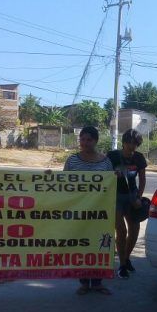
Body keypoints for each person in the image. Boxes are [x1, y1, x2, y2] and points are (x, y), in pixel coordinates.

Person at [64, 126, 114, 295]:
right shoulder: (72, 161)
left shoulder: (105, 162)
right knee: (81, 245)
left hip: (100, 213)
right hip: (78, 212)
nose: (85, 143)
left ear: (96, 141)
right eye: (82, 139)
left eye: (88, 139)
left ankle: (98, 281)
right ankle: (84, 282)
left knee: (99, 244)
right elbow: (63, 184)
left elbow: (110, 186)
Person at [107, 129, 147, 279]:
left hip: (132, 196)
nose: (132, 146)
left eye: (135, 143)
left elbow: (142, 180)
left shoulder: (139, 158)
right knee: (121, 231)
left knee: (134, 229)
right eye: (129, 142)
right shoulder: (112, 156)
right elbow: (104, 174)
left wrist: (138, 197)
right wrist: (112, 175)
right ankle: (122, 266)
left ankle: (126, 258)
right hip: (115, 197)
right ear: (123, 142)